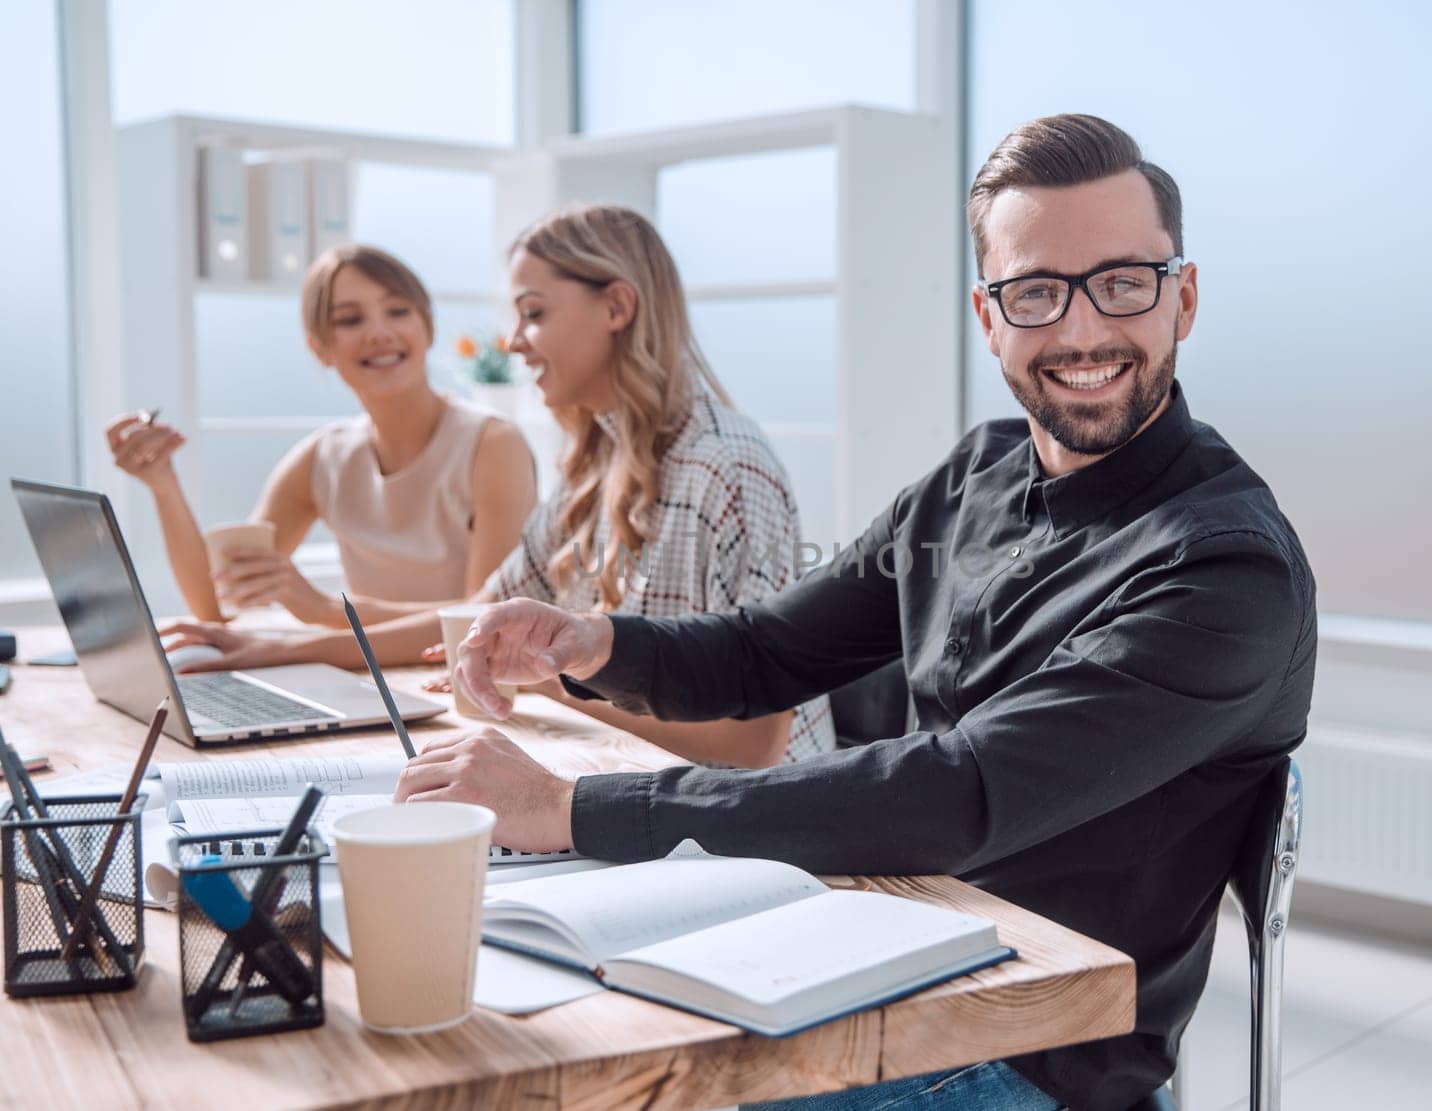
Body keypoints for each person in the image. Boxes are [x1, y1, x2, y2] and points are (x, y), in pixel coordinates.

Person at [400, 115, 1318, 1111]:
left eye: (1123, 281)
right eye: (1037, 291)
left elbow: (955, 794)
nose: (1083, 328)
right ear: (988, 317)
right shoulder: (976, 474)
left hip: (1022, 1047)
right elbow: (768, 649)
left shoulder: (1227, 569)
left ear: (1180, 295)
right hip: (875, 950)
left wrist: (568, 808)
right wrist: (593, 641)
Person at [162, 205, 835, 769]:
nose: (512, 341)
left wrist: (560, 683)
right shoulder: (593, 463)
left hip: (753, 837)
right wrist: (270, 648)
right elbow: (472, 621)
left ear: (617, 307)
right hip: (637, 782)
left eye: (533, 312)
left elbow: (753, 747)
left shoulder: (725, 469)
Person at [105, 244, 537, 626]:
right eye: (350, 319)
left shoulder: (493, 445)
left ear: (428, 327)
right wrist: (164, 487)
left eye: (398, 311)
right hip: (377, 681)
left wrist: (324, 610)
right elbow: (219, 602)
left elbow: (483, 624)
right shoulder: (324, 457)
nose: (378, 332)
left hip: (466, 690)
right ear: (320, 348)